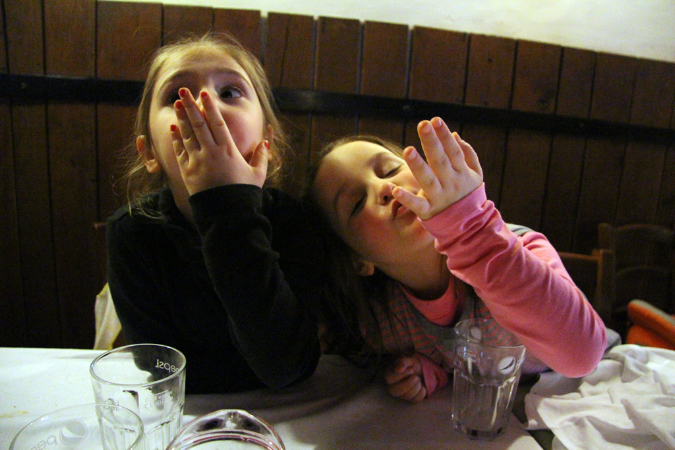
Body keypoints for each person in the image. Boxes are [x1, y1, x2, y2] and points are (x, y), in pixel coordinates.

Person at [305, 117, 608, 402]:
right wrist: (428, 371)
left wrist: (473, 231)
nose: (384, 188)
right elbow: (451, 354)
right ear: (358, 261)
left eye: (389, 170)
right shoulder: (385, 322)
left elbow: (583, 354)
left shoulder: (516, 247)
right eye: (357, 203)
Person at [107, 33, 326, 394]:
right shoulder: (131, 231)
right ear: (149, 153)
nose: (205, 106)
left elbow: (288, 366)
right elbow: (158, 365)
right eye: (177, 97)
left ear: (267, 144)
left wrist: (228, 207)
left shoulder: (292, 220)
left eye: (229, 92)